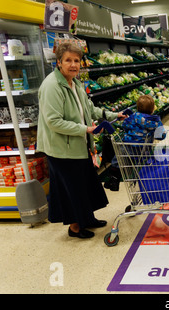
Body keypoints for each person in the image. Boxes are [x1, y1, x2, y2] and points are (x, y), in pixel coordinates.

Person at [37, 42, 127, 239]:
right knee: (72, 189)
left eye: (76, 60)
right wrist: (85, 129)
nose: (73, 64)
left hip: (78, 144)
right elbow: (54, 122)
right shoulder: (52, 86)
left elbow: (89, 109)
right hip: (61, 148)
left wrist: (113, 115)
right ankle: (75, 227)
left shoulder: (75, 83)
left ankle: (88, 218)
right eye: (68, 60)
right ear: (59, 62)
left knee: (85, 183)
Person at [105, 95, 167, 191]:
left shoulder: (134, 117)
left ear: (138, 108)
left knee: (117, 160)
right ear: (152, 110)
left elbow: (125, 125)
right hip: (143, 151)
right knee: (141, 165)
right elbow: (161, 136)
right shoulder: (156, 121)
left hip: (128, 148)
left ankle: (114, 179)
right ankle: (143, 181)